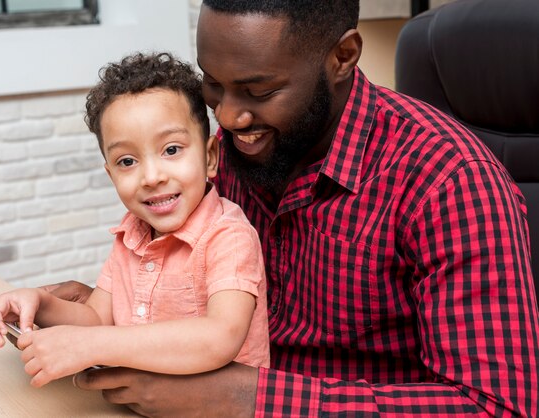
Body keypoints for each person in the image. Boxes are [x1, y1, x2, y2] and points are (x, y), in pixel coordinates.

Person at [54, 1, 539, 416]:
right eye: (213, 85)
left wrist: (246, 399)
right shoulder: (231, 152)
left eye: (259, 91)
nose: (226, 116)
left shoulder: (449, 181)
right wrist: (111, 304)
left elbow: (495, 406)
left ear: (342, 56)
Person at [0, 52, 270, 388]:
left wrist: (92, 346)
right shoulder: (130, 235)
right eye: (127, 161)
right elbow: (98, 318)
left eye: (171, 150)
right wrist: (39, 303)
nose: (151, 176)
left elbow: (219, 337)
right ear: (110, 173)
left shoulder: (228, 236)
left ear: (210, 157)